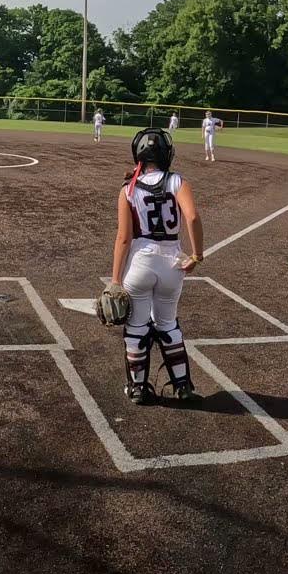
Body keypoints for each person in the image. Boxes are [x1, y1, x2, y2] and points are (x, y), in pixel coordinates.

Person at [109, 127, 204, 404]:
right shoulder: (177, 182)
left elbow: (124, 238)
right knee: (168, 324)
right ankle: (183, 386)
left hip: (140, 262)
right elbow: (193, 218)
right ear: (167, 154)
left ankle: (138, 388)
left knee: (136, 326)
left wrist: (115, 280)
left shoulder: (128, 189)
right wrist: (197, 255)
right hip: (172, 263)